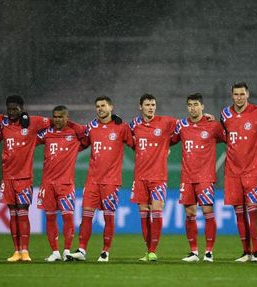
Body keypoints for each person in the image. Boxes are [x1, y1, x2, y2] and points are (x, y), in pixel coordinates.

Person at [68, 96, 133, 262]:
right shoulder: (91, 127)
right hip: (92, 180)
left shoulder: (121, 127)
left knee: (108, 217)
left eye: (103, 105)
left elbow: (136, 144)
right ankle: (82, 250)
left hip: (111, 181)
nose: (100, 108)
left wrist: (162, 149)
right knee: (87, 215)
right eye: (97, 106)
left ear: (111, 107)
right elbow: (81, 144)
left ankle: (105, 251)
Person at [220, 82, 257, 263]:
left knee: (254, 210)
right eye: (236, 94)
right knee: (239, 212)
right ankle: (246, 252)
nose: (239, 97)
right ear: (231, 95)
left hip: (253, 170)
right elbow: (220, 132)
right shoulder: (225, 114)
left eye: (242, 94)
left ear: (248, 94)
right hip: (232, 171)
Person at [0, 95, 50, 262]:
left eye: (15, 109)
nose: (11, 112)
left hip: (24, 177)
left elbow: (55, 120)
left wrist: (29, 120)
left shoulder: (32, 122)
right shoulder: (3, 123)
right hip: (7, 177)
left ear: (22, 109)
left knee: (23, 213)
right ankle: (16, 251)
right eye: (9, 109)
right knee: (13, 214)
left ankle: (25, 251)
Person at [172, 93, 225, 262]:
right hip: (187, 177)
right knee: (189, 213)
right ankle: (194, 252)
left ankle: (209, 251)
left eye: (196, 104)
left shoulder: (213, 125)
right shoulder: (182, 125)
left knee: (207, 211)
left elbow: (230, 138)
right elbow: (169, 139)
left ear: (202, 106)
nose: (193, 107)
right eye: (190, 105)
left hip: (205, 177)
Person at [129, 93, 178, 262]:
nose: (151, 107)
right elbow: (125, 136)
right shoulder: (134, 124)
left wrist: (205, 118)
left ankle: (153, 251)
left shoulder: (166, 122)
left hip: (158, 177)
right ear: (140, 107)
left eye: (153, 104)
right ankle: (147, 250)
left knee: (156, 211)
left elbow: (186, 126)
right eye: (147, 105)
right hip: (140, 177)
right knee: (144, 214)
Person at [36, 105, 86, 262]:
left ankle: (66, 250)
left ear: (66, 117)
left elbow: (89, 134)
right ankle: (55, 251)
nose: (57, 119)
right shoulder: (47, 133)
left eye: (60, 117)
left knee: (68, 218)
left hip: (65, 184)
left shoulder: (75, 133)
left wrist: (72, 125)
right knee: (50, 218)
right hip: (48, 184)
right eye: (55, 116)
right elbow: (30, 137)